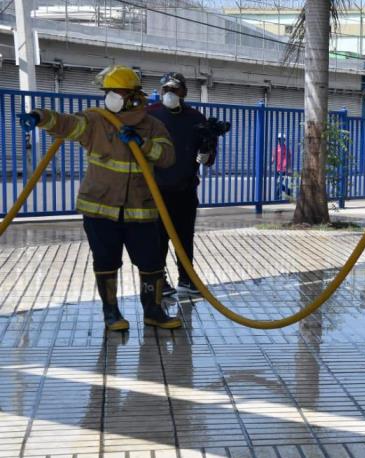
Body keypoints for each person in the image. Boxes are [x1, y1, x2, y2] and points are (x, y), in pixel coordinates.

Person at [17, 65, 181, 330]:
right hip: (101, 210)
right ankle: (111, 313)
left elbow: (168, 157)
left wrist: (144, 145)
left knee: (151, 263)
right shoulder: (96, 121)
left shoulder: (153, 126)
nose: (109, 97)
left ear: (132, 95)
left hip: (141, 210)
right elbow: (68, 123)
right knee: (106, 261)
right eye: (108, 92)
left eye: (114, 92)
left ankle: (153, 310)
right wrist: (39, 116)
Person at [147, 72, 216, 297]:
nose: (169, 93)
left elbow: (208, 152)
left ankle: (187, 279)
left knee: (184, 237)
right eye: (165, 89)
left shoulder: (196, 118)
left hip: (185, 189)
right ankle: (159, 281)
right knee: (157, 239)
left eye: (174, 89)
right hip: (156, 191)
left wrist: (207, 154)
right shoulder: (150, 115)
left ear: (184, 92)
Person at [273, 133, 292, 198]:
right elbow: (273, 157)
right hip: (277, 169)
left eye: (281, 139)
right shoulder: (276, 148)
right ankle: (288, 191)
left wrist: (289, 169)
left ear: (284, 140)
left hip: (283, 169)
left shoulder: (286, 149)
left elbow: (289, 159)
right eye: (279, 139)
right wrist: (271, 162)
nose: (280, 140)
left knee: (279, 183)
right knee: (278, 184)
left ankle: (276, 197)